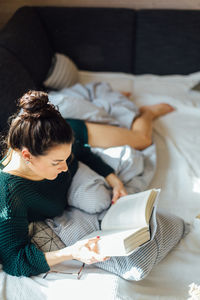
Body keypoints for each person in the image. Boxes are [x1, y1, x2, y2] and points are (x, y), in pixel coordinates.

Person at [0, 90, 186, 280]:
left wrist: (113, 179)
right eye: (56, 163)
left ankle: (146, 113)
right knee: (96, 200)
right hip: (57, 151)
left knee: (141, 141)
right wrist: (72, 252)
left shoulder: (59, 145)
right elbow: (14, 261)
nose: (64, 168)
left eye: (66, 158)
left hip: (73, 133)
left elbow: (83, 153)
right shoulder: (9, 194)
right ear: (27, 156)